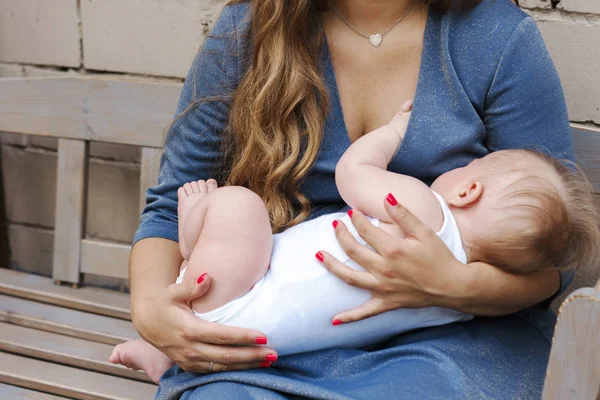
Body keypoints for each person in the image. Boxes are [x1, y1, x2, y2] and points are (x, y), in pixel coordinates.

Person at [129, 0, 578, 398]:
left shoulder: (493, 35)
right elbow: (173, 206)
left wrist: (456, 286)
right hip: (277, 321)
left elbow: (554, 260)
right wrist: (153, 315)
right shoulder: (249, 28)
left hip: (450, 338)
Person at [113, 99, 599, 383]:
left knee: (238, 206)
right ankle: (166, 357)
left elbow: (353, 173)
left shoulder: (426, 210)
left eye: (470, 167)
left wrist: (390, 133)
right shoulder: (459, 302)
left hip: (231, 295)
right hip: (271, 343)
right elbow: (541, 277)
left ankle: (194, 224)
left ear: (469, 189)